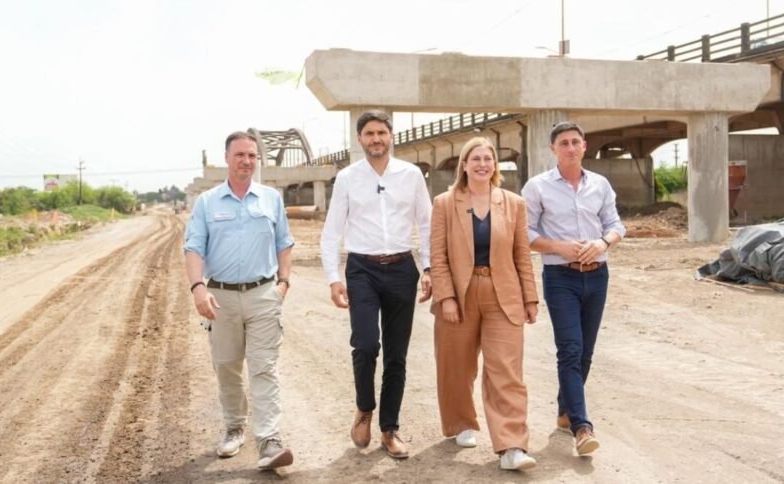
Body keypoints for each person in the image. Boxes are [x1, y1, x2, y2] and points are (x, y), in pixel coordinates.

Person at [320, 110, 432, 460]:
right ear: (360, 139)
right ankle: (364, 408)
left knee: (397, 355)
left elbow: (427, 224)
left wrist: (429, 267)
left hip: (402, 268)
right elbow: (331, 232)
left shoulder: (411, 175)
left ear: (390, 135)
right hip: (362, 270)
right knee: (366, 344)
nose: (376, 139)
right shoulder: (347, 178)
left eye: (381, 132)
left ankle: (389, 429)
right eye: (369, 133)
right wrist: (333, 278)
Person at [184, 131, 295, 470]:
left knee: (264, 368)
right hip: (221, 298)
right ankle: (234, 428)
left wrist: (283, 283)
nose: (247, 161)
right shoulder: (207, 202)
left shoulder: (271, 199)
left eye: (252, 155)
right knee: (227, 366)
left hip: (263, 295)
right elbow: (193, 248)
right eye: (240, 155)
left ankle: (269, 440)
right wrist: (198, 288)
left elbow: (284, 243)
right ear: (227, 158)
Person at [430, 137, 539, 471]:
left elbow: (522, 254)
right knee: (456, 365)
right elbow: (438, 256)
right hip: (459, 295)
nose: (482, 164)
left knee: (506, 370)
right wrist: (446, 297)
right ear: (464, 165)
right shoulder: (445, 203)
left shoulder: (514, 203)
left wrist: (530, 298)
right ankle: (461, 422)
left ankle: (512, 447)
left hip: (503, 294)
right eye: (475, 159)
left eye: (488, 159)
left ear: (495, 166)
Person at [521, 121, 625, 456]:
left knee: (585, 352)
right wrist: (558, 247)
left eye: (575, 142)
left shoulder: (600, 184)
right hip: (560, 277)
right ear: (553, 149)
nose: (570, 148)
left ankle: (565, 412)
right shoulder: (537, 187)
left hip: (598, 275)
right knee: (569, 348)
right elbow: (524, 232)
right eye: (563, 143)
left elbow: (615, 224)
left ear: (584, 146)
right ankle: (582, 427)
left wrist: (602, 243)